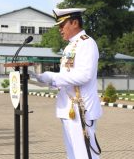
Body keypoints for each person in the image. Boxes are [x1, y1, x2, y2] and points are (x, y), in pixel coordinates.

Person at [35, 8, 102, 159]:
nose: (60, 29)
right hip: (69, 107)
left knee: (84, 154)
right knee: (73, 154)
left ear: (75, 22)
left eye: (62, 25)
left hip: (81, 108)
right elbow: (67, 77)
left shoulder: (87, 43)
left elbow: (85, 76)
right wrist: (45, 81)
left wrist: (53, 77)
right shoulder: (70, 46)